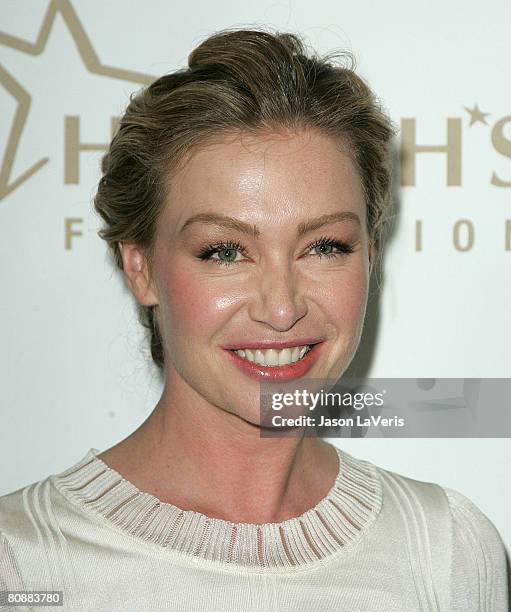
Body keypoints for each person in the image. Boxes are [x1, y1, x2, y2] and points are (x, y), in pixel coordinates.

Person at [0, 27, 508, 611]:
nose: (283, 307)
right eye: (224, 251)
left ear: (371, 252)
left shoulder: (448, 550)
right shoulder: (22, 564)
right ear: (140, 267)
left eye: (324, 246)